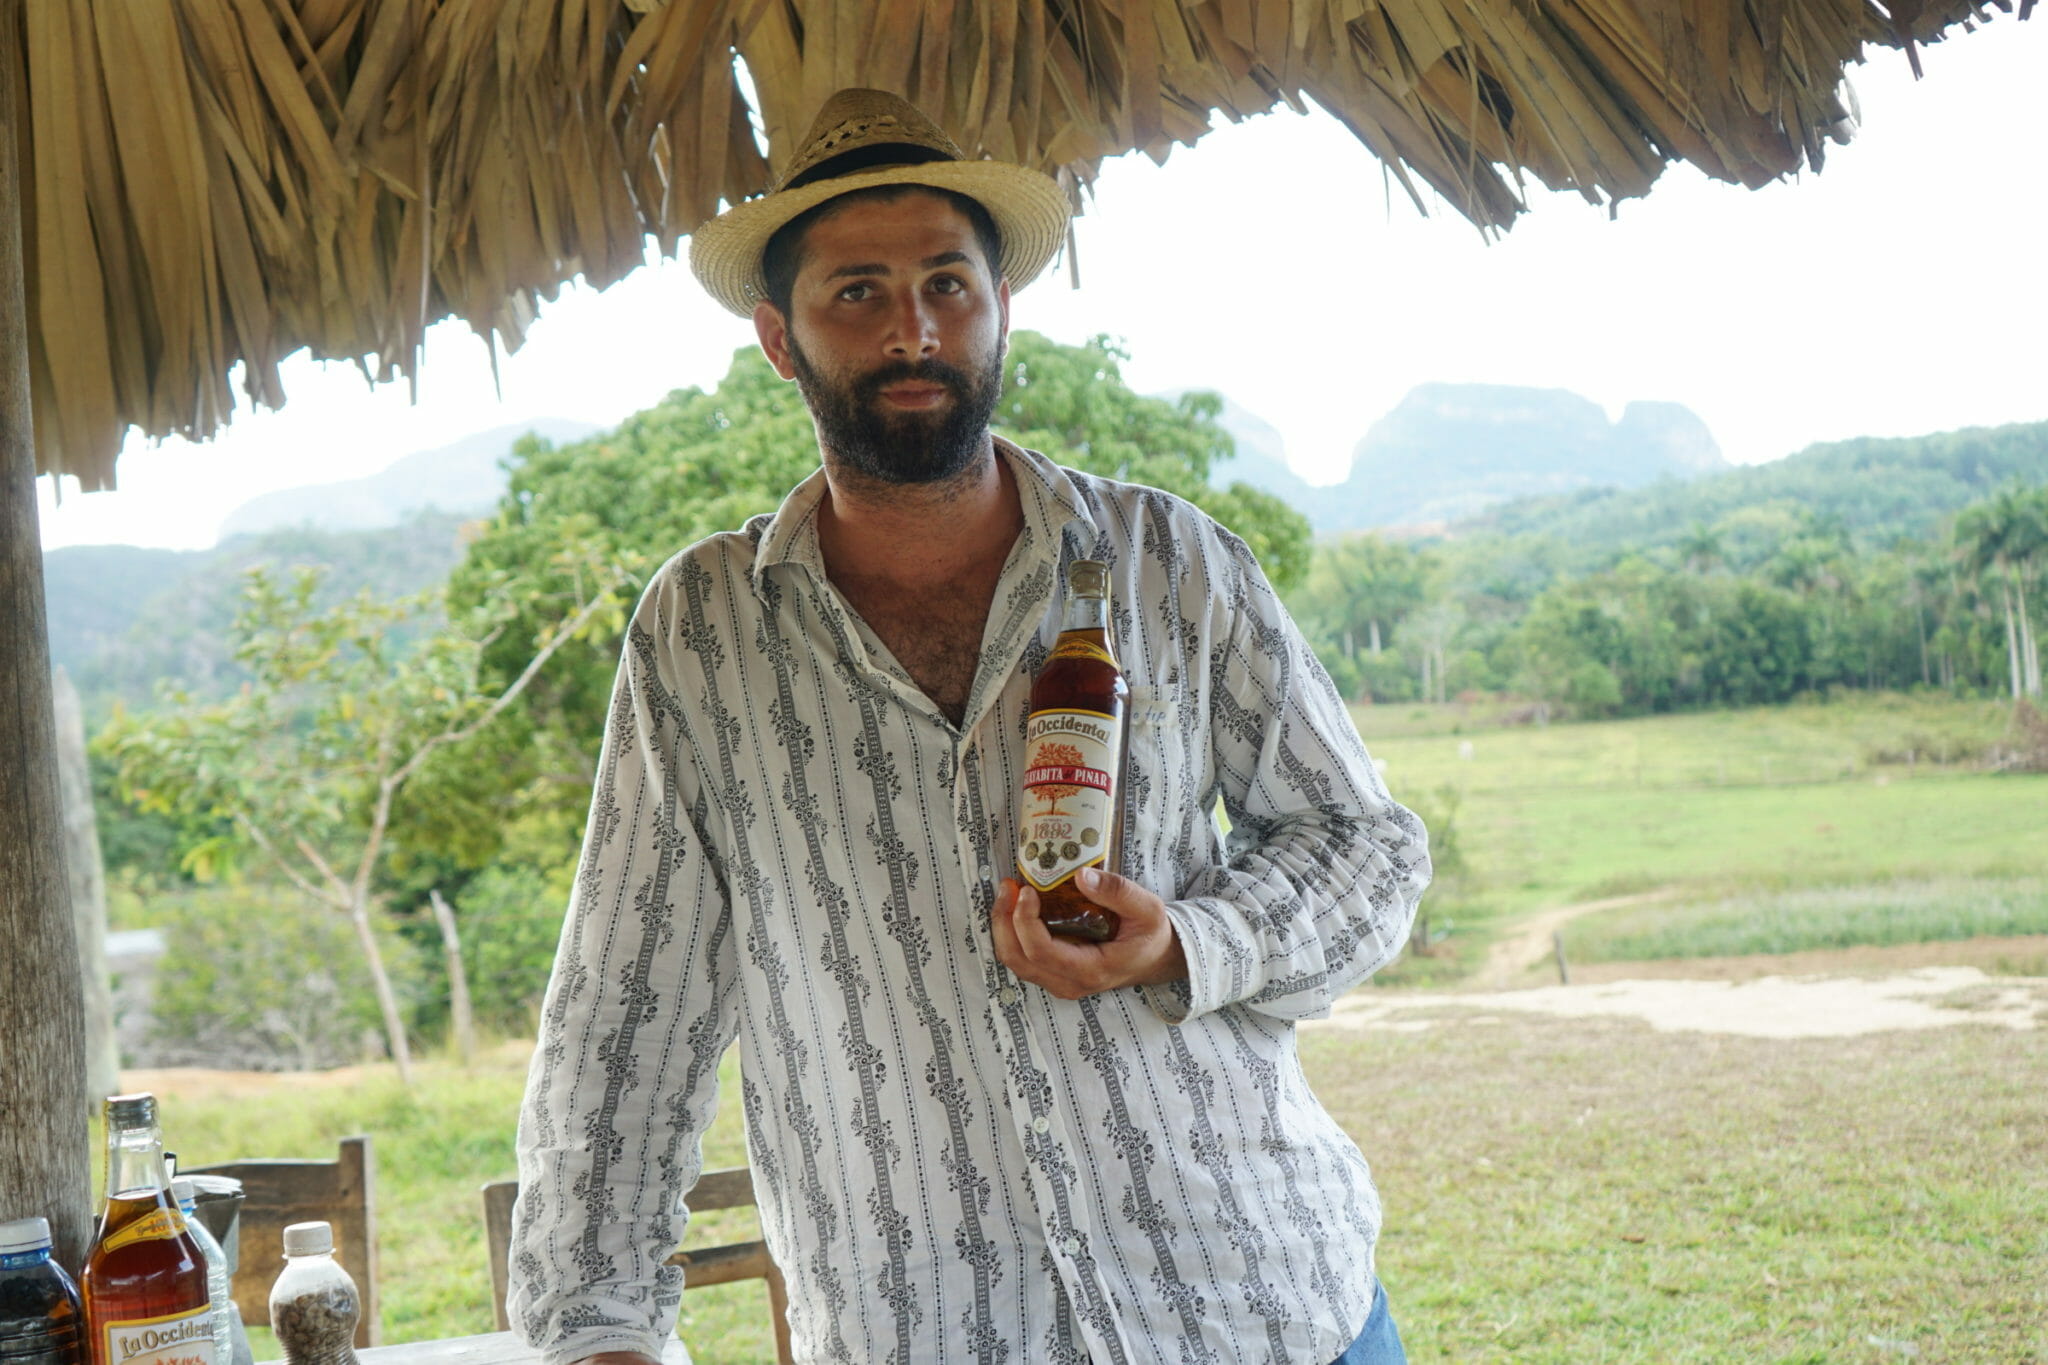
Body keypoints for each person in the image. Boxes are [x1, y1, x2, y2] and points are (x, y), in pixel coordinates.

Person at [507, 88, 1431, 1365]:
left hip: (1254, 1304)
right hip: (925, 1332)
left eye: (949, 283)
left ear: (1000, 308)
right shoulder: (703, 630)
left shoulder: (1171, 562)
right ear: (780, 340)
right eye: (857, 293)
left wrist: (1184, 941)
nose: (912, 329)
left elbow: (1364, 850)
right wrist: (592, 1327)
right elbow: (622, 1014)